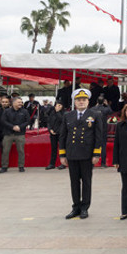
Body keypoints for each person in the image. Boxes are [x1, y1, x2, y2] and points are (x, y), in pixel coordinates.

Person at [59, 89, 103, 219]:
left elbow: (99, 135)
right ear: (75, 102)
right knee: (74, 182)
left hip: (87, 154)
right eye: (78, 100)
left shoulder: (95, 115)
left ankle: (85, 207)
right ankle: (76, 207)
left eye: (84, 100)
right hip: (72, 153)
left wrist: (96, 154)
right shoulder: (68, 115)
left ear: (88, 101)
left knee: (86, 182)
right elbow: (62, 136)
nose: (81, 102)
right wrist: (62, 154)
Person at [0, 97, 29, 173]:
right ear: (14, 103)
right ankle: (4, 166)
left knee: (21, 151)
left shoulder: (24, 111)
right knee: (5, 151)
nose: (21, 104)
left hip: (20, 134)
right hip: (8, 134)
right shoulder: (7, 111)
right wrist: (12, 127)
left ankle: (21, 166)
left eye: (21, 102)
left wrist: (20, 127)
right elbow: (3, 121)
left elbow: (28, 121)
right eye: (19, 102)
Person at [46, 102, 64, 170]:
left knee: (62, 148)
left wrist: (58, 112)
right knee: (54, 149)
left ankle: (63, 163)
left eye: (60, 105)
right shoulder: (52, 113)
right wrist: (50, 129)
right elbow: (49, 122)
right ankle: (52, 164)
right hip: (53, 133)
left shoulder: (64, 113)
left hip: (61, 133)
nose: (58, 107)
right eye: (57, 105)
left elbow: (62, 120)